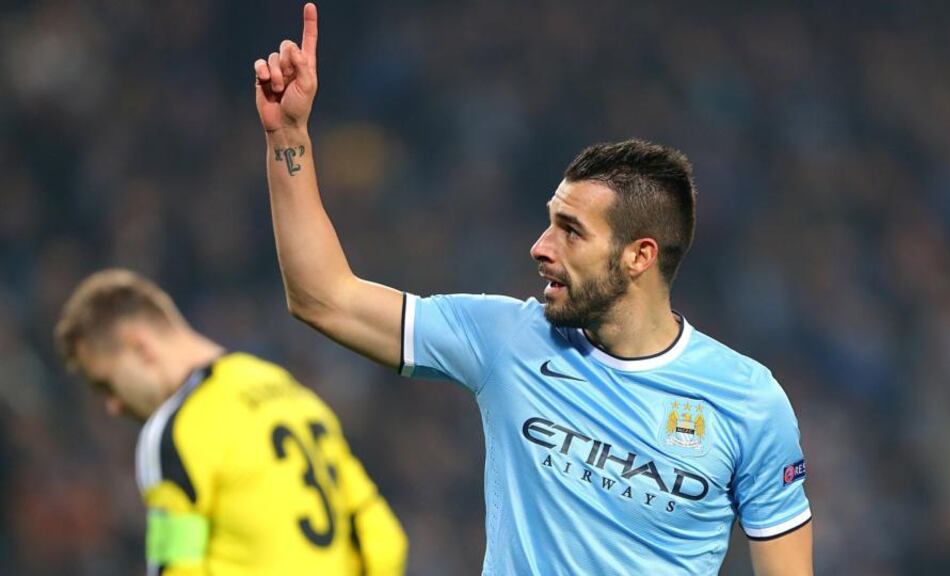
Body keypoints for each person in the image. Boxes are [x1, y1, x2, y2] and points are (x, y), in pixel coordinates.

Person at [253, 4, 812, 574]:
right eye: (550, 220)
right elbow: (322, 296)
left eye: (571, 231)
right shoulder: (505, 338)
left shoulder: (747, 402)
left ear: (639, 255)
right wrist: (288, 139)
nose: (540, 247)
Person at [54, 269, 407, 576]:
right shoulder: (289, 391)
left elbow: (178, 568)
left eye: (106, 384)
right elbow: (382, 536)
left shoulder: (177, 429)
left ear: (141, 348)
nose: (112, 406)